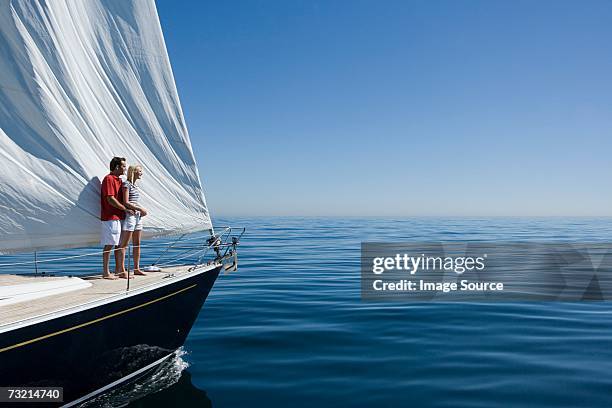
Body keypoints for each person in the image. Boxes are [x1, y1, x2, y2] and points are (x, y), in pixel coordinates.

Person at [100, 157, 134, 279]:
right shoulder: (109, 179)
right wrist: (125, 209)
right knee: (109, 244)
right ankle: (106, 272)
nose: (125, 168)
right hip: (110, 217)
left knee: (117, 244)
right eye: (124, 166)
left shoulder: (119, 180)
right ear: (117, 167)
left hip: (118, 217)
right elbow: (110, 198)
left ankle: (118, 270)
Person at [117, 164, 148, 276]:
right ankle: (122, 270)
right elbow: (126, 202)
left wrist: (141, 211)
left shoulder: (135, 186)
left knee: (137, 244)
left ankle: (136, 268)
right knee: (124, 244)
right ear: (134, 172)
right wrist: (140, 208)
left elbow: (134, 201)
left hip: (138, 217)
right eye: (140, 171)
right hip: (130, 217)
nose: (141, 173)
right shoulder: (127, 184)